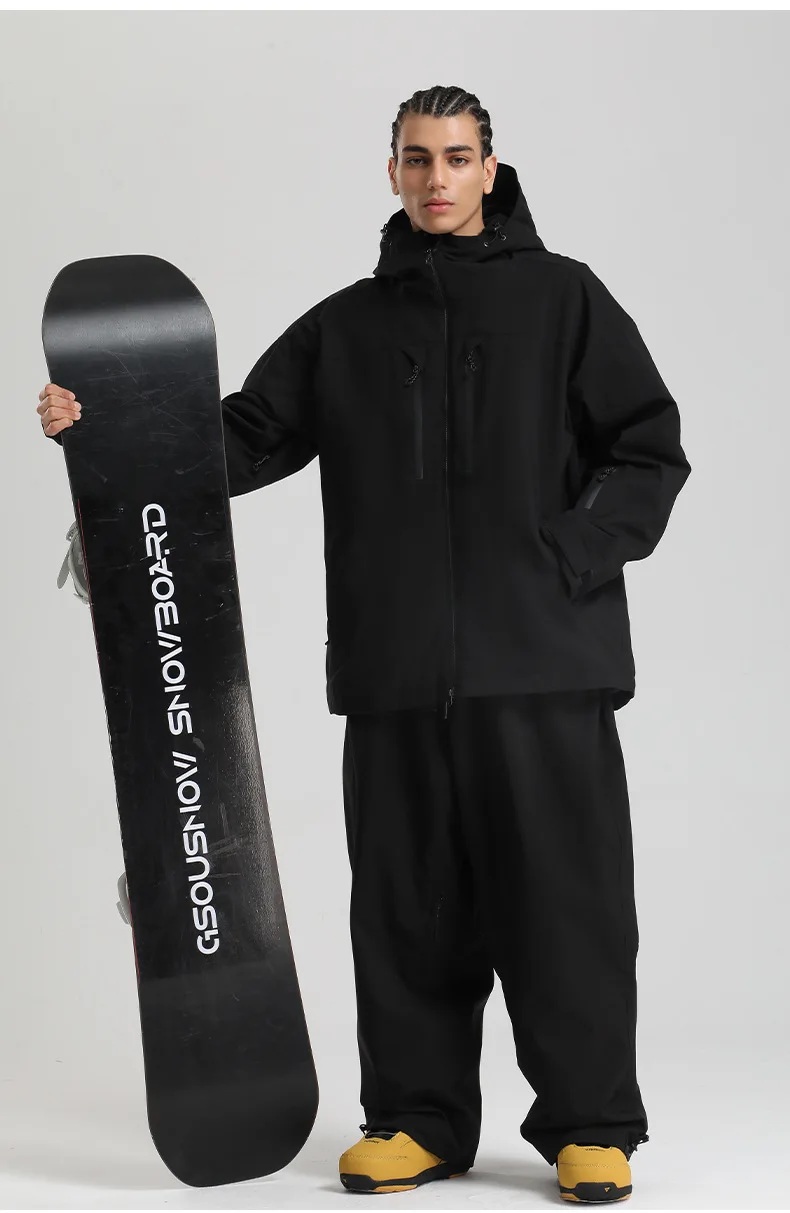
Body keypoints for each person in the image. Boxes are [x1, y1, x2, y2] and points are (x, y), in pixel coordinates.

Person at [39, 84, 691, 1202]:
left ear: (490, 169)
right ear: (390, 172)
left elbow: (647, 448)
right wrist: (100, 425)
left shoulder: (564, 299)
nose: (437, 178)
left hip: (546, 667)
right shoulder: (347, 326)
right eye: (417, 158)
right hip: (394, 676)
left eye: (457, 157)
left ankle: (591, 1124)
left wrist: (567, 559)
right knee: (405, 907)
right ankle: (416, 1118)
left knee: (566, 905)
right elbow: (232, 440)